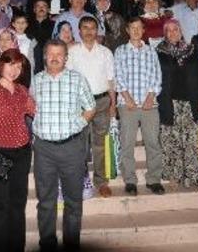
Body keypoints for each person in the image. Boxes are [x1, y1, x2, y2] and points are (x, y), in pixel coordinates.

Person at [30, 39, 96, 251]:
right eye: (51, 54)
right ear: (44, 57)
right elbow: (28, 111)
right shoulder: (36, 81)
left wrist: (78, 124)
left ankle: (71, 244)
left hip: (72, 148)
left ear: (66, 58)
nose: (55, 58)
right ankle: (47, 244)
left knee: (73, 201)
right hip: (44, 150)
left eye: (60, 54)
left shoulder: (77, 80)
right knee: (46, 201)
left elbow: (91, 108)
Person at [0, 49, 36, 251]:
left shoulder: (21, 91)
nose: (15, 70)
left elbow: (37, 112)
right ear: (1, 65)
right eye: (11, 65)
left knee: (18, 204)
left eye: (19, 66)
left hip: (22, 152)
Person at [156, 19, 198, 189]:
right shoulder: (158, 52)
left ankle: (195, 177)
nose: (172, 32)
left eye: (175, 29)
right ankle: (174, 176)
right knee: (171, 141)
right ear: (164, 33)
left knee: (192, 141)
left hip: (191, 102)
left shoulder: (193, 50)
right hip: (168, 103)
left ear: (180, 31)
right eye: (168, 30)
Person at [114, 17, 165, 196]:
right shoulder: (120, 51)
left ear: (144, 30)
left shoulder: (151, 51)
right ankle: (130, 180)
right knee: (127, 143)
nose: (136, 31)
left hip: (149, 104)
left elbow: (157, 75)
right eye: (132, 27)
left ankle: (154, 179)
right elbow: (118, 75)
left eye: (139, 28)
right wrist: (126, 97)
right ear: (127, 30)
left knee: (153, 142)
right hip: (127, 104)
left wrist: (151, 96)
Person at [67, 16, 116, 198]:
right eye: (85, 28)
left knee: (100, 145)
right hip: (80, 105)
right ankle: (81, 181)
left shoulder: (105, 52)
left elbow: (111, 81)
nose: (89, 31)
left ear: (97, 31)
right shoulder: (71, 52)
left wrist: (113, 104)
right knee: (80, 145)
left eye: (92, 28)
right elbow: (68, 80)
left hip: (102, 102)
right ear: (79, 31)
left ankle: (101, 182)